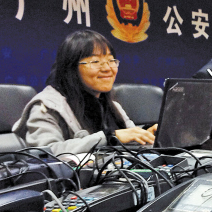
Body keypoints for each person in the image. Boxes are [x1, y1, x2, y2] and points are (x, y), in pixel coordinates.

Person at [13, 30, 156, 155]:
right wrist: (108, 137)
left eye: (111, 60)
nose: (107, 68)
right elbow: (46, 154)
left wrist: (147, 136)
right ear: (71, 67)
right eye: (95, 62)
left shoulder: (113, 106)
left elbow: (128, 136)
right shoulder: (46, 107)